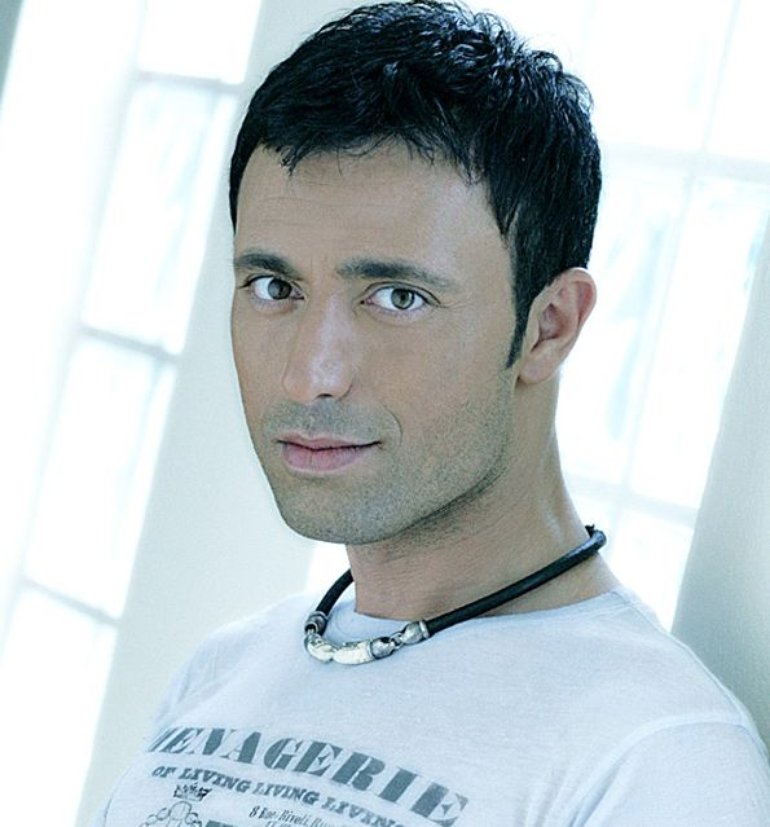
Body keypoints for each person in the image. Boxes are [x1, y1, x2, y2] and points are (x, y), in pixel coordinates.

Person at [92, 2, 770, 825]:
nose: (311, 375)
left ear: (548, 327)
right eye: (275, 287)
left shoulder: (656, 756)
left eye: (397, 297)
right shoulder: (223, 671)